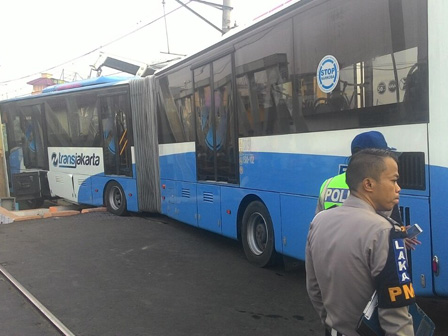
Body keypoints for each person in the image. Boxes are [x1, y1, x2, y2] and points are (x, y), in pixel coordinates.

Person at [306, 149, 415, 336]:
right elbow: (395, 314)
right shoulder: (386, 232)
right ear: (369, 184)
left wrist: (332, 323)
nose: (398, 188)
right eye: (394, 180)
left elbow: (314, 288)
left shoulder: (319, 221)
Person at [316, 131, 420, 250]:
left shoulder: (328, 184)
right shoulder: (380, 189)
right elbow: (391, 229)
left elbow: (317, 225)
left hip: (334, 252)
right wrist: (401, 232)